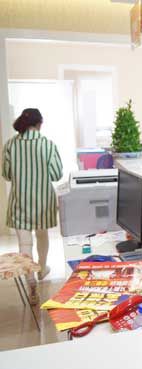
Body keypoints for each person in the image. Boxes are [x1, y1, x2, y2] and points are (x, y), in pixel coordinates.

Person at [2, 108, 63, 304]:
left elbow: (6, 175)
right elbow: (56, 174)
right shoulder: (47, 144)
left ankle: (31, 284)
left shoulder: (10, 144)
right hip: (43, 201)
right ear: (39, 124)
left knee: (25, 243)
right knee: (42, 234)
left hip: (19, 201)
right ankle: (42, 269)